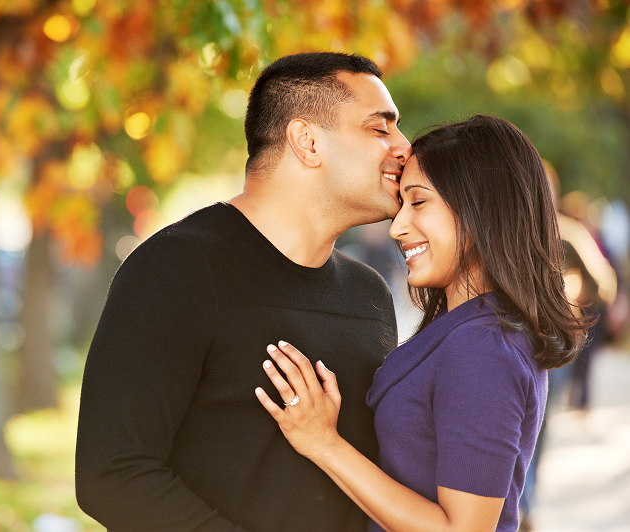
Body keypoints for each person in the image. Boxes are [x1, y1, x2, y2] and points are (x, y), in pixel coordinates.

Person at [75, 52, 411, 531]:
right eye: (381, 129)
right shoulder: (175, 270)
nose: (403, 147)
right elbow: (113, 476)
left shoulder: (368, 294)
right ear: (307, 141)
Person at [256, 115, 591, 532]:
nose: (397, 227)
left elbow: (462, 530)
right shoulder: (473, 328)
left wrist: (325, 444)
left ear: (481, 207)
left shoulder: (483, 346)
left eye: (418, 202)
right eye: (401, 206)